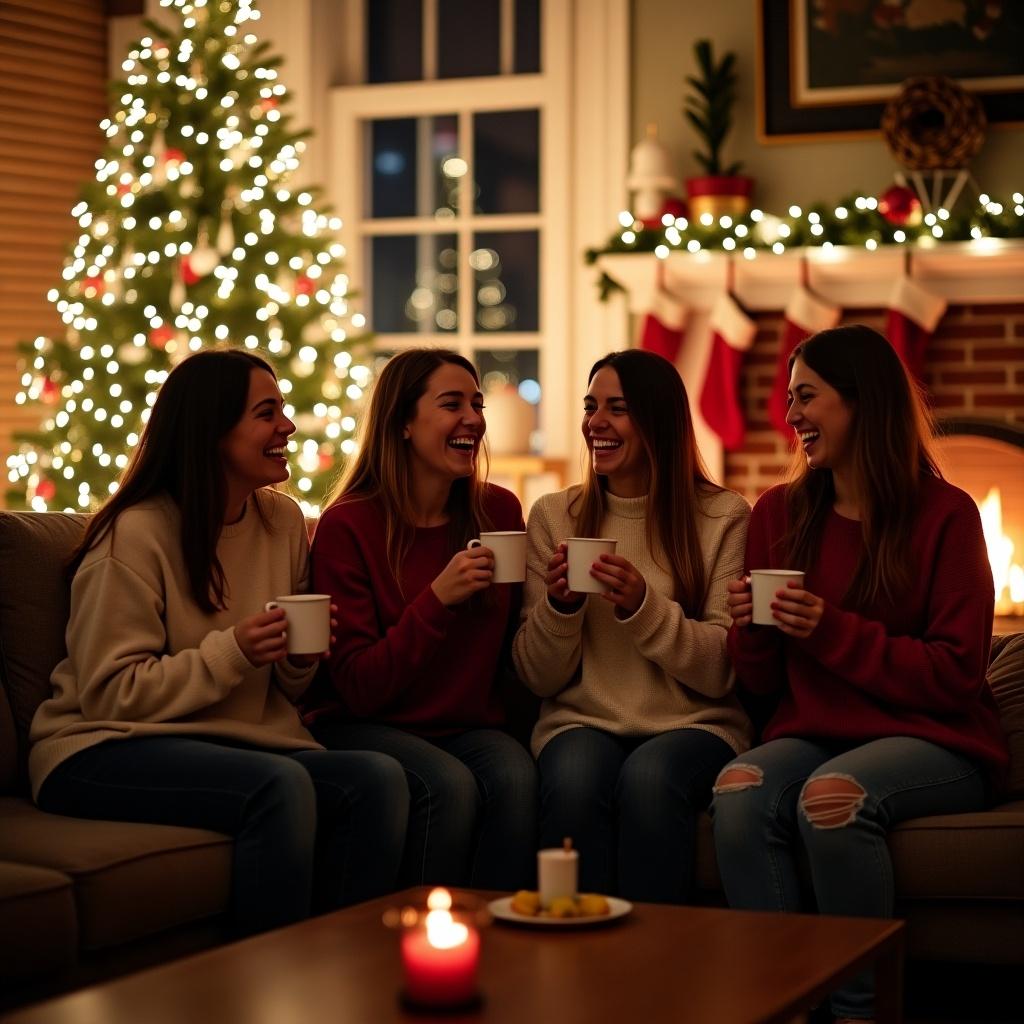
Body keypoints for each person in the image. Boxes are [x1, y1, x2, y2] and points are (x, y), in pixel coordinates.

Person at [29, 349, 408, 936]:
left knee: (378, 780)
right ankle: (258, 983)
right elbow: (109, 693)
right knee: (279, 788)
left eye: (282, 409)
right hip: (101, 746)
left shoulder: (281, 522)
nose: (287, 425)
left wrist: (299, 657)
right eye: (266, 413)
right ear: (212, 431)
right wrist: (235, 650)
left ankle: (342, 970)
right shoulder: (134, 535)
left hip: (236, 740)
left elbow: (283, 684)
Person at [711, 325, 1008, 1024]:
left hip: (937, 736)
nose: (791, 417)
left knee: (832, 798)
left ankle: (858, 1011)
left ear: (862, 402)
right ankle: (780, 1002)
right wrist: (750, 628)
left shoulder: (947, 515)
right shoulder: (778, 514)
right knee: (739, 786)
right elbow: (759, 684)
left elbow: (955, 672)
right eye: (789, 400)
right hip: (817, 729)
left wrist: (829, 628)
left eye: (807, 397)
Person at [512, 349, 751, 903]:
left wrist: (644, 606)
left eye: (616, 408)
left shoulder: (723, 515)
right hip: (582, 721)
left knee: (649, 779)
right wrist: (561, 608)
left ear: (657, 420)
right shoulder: (554, 516)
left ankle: (652, 966)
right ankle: (573, 960)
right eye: (591, 406)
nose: (595, 422)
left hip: (695, 723)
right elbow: (538, 678)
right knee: (574, 781)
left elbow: (721, 670)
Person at [307, 348, 537, 890]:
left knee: (516, 776)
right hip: (364, 724)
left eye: (477, 405)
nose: (473, 419)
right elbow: (360, 687)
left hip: (468, 725)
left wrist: (560, 603)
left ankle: (499, 947)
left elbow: (514, 646)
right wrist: (438, 599)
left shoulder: (499, 513)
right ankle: (417, 938)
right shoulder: (350, 526)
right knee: (449, 785)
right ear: (404, 423)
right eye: (451, 404)